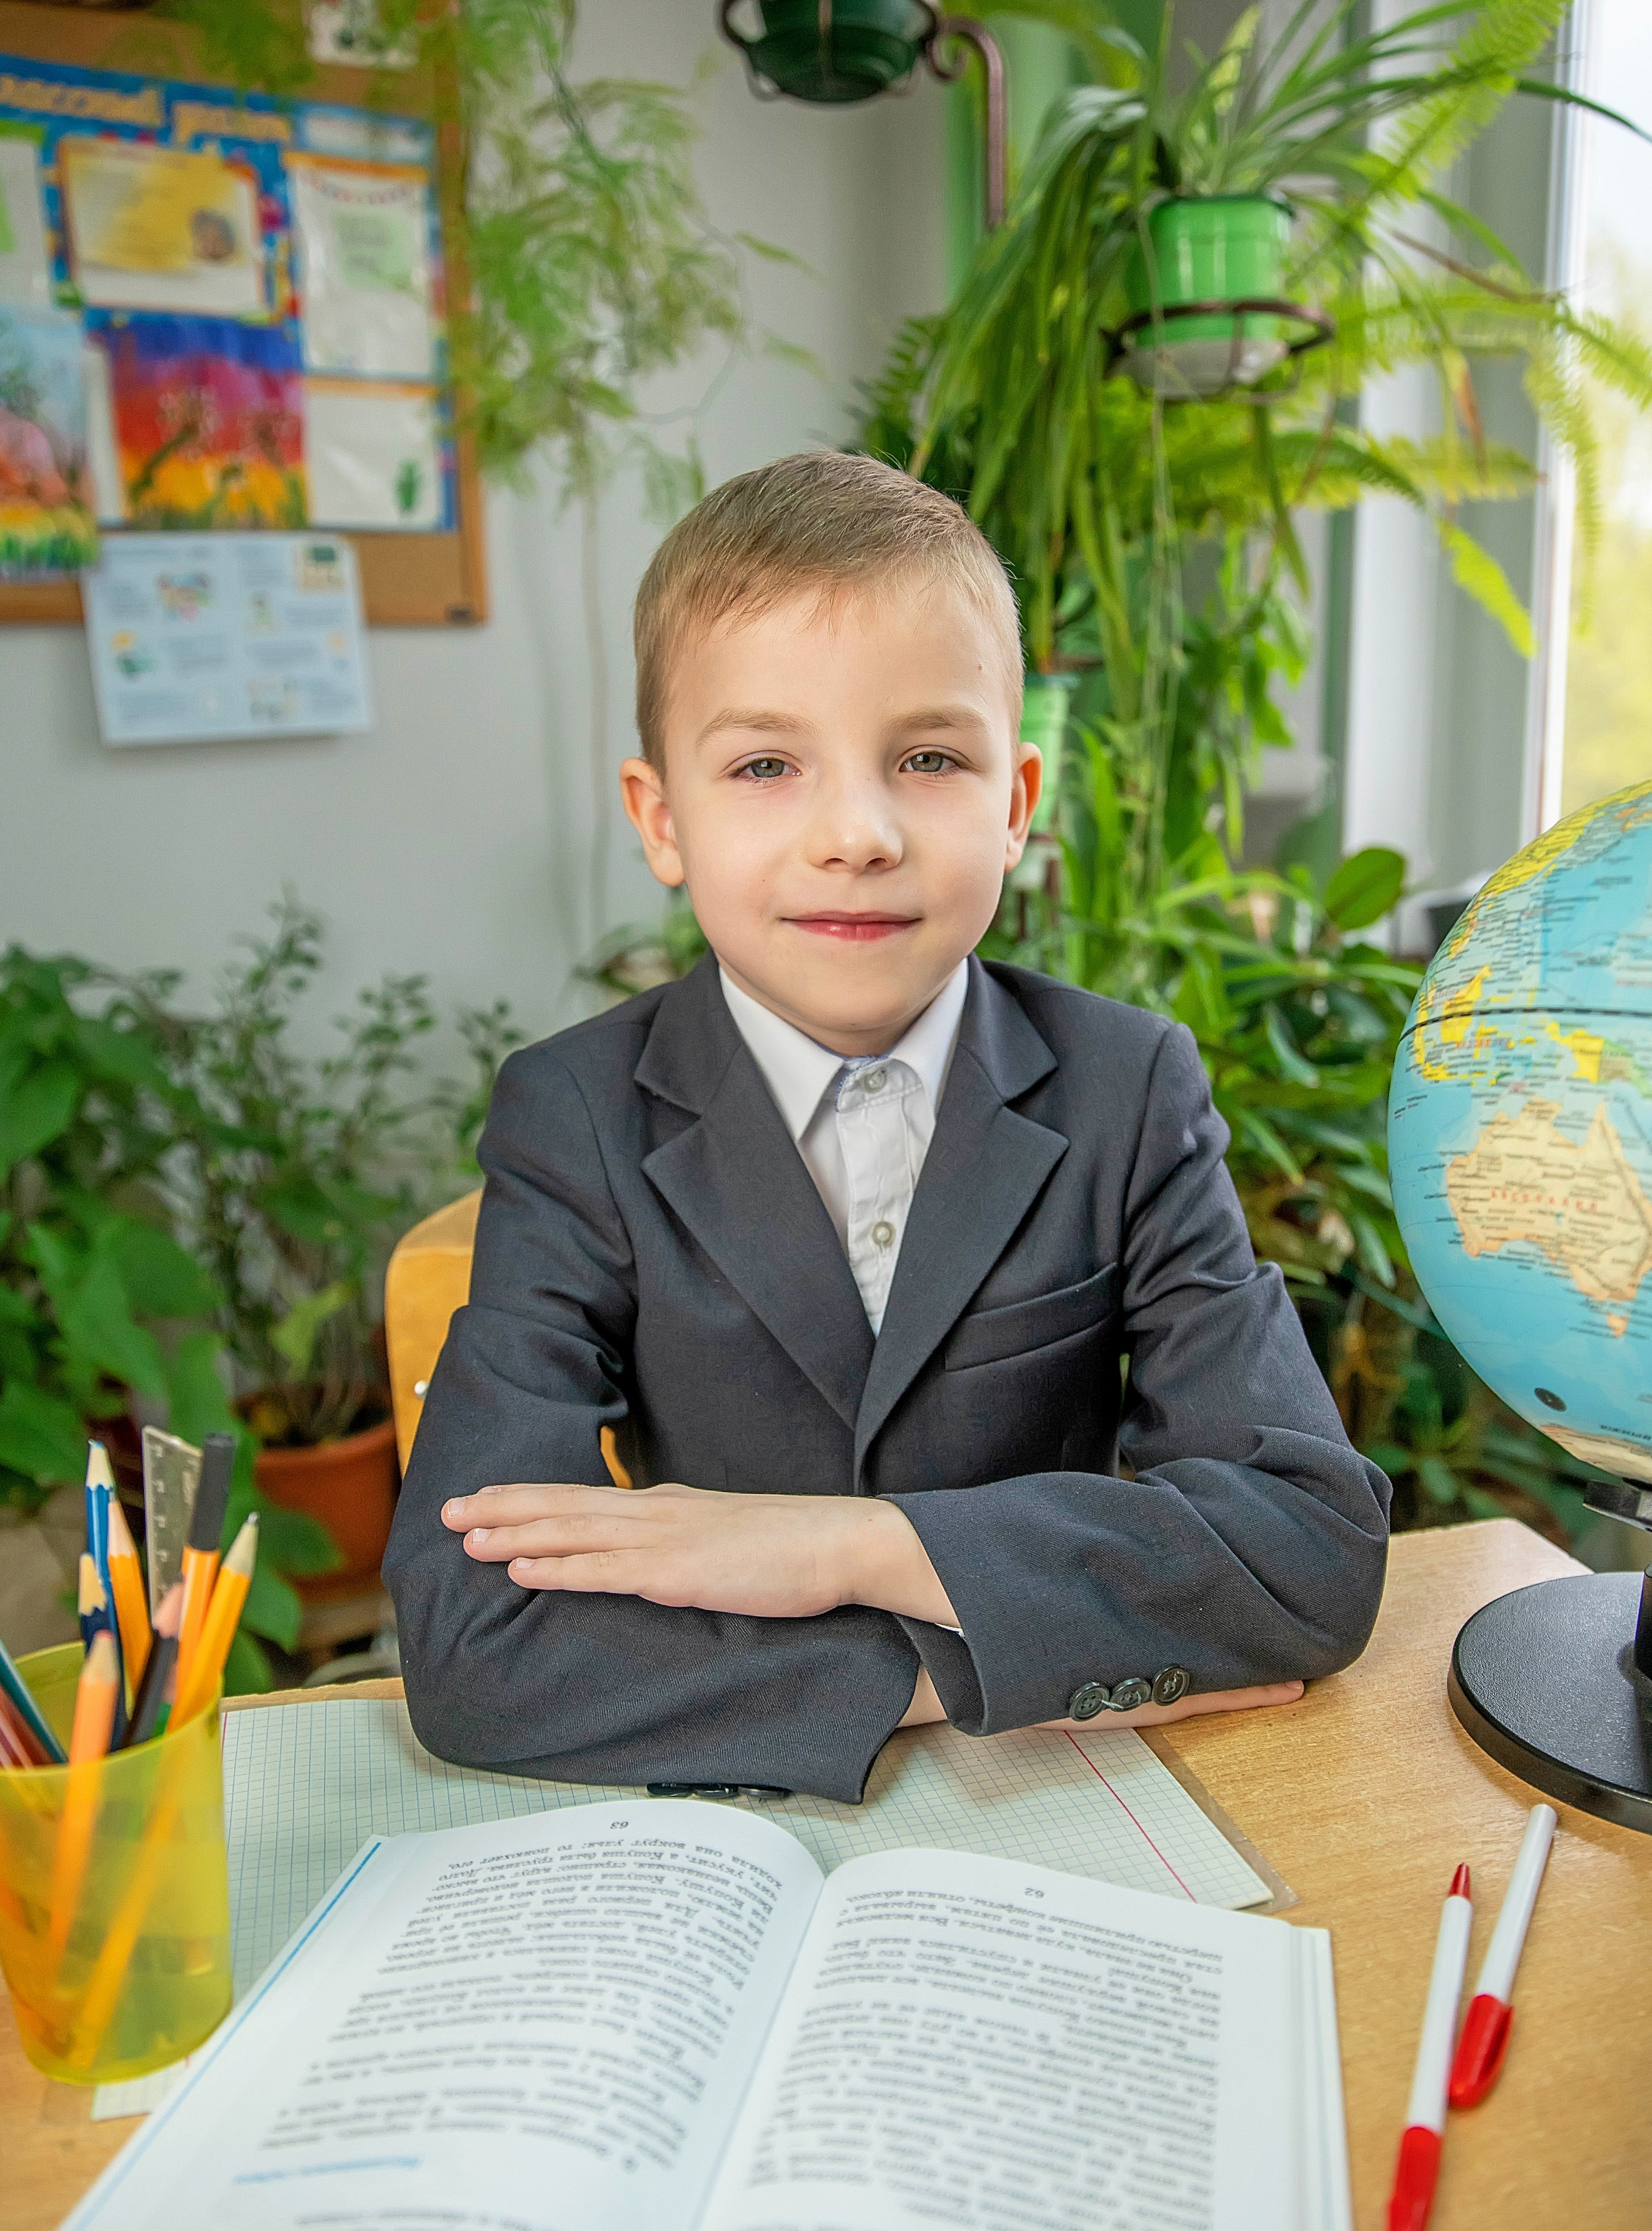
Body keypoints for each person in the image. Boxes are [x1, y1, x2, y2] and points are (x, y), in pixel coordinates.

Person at [384, 451, 1389, 1801]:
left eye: (926, 758)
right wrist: (946, 1671)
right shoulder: (573, 1113)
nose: (855, 834)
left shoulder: (1128, 1086)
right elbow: (471, 1646)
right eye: (764, 764)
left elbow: (1309, 1552)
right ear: (662, 820)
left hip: (1062, 1809)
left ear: (1014, 804)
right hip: (774, 1802)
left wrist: (846, 1548)